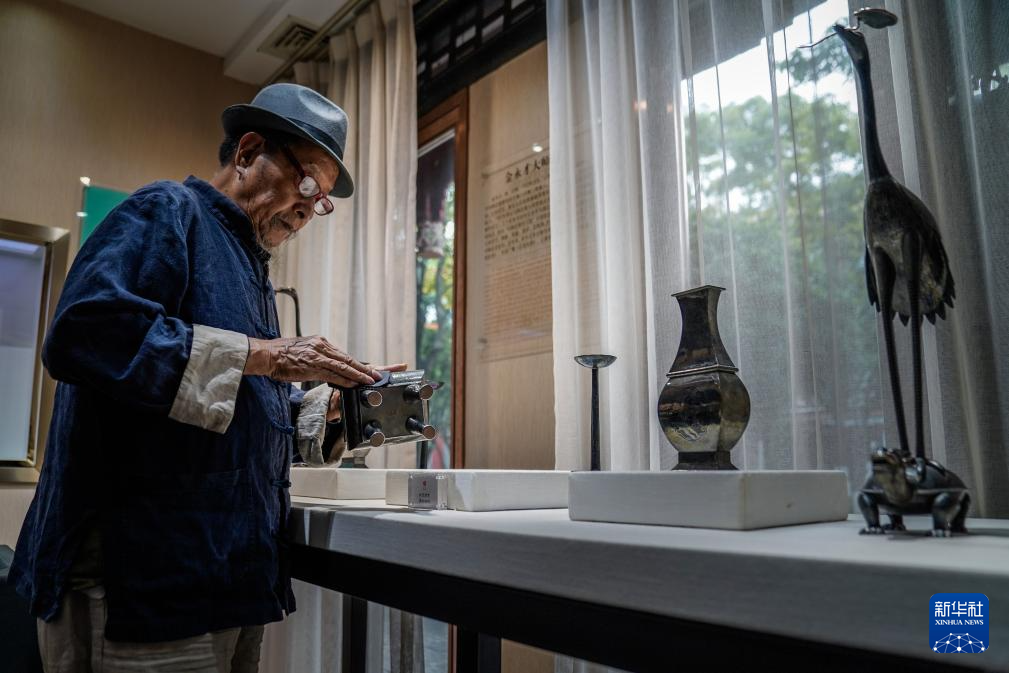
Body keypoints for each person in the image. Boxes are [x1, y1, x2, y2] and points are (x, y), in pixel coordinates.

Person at [8, 83, 398, 672]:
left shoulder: (251, 267)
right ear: (248, 151)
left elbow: (234, 405)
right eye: (307, 184)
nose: (307, 210)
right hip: (142, 583)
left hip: (226, 580)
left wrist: (337, 409)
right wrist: (267, 356)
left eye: (320, 201)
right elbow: (84, 333)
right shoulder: (167, 209)